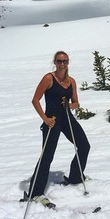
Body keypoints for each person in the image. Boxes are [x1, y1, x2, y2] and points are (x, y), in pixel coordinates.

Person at [25, 51, 90, 208]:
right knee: (47, 156)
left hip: (67, 119)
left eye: (65, 61)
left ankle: (75, 177)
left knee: (84, 145)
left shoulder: (71, 81)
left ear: (68, 62)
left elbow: (76, 103)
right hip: (52, 121)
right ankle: (35, 192)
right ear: (54, 62)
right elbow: (35, 100)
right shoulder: (49, 78)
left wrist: (69, 105)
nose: (62, 63)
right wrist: (45, 119)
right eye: (59, 61)